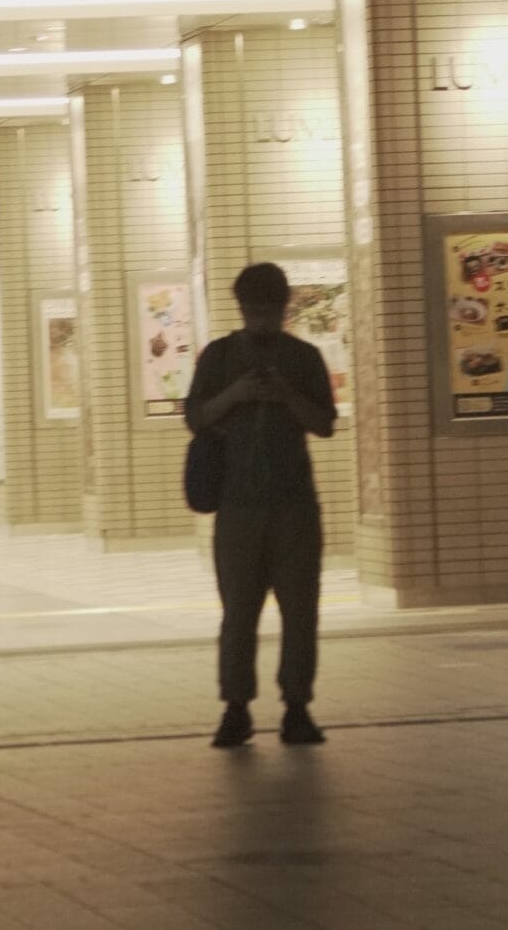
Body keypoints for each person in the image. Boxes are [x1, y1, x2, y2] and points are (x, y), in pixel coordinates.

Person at [185, 263, 338, 749]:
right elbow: (195, 417)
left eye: (269, 311)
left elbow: (324, 423)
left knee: (301, 612)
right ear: (241, 308)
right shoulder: (220, 356)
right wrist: (237, 393)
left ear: (284, 307)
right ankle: (236, 708)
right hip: (238, 507)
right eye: (252, 311)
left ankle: (297, 707)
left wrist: (286, 395)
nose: (261, 320)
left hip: (295, 506)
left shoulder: (304, 358)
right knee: (238, 613)